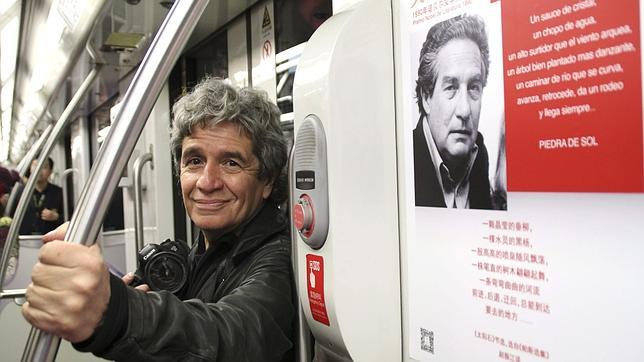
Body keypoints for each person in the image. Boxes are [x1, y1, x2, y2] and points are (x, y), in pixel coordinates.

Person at [21, 78, 294, 361]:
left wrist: (116, 310)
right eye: (195, 161)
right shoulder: (203, 253)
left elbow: (234, 334)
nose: (207, 181)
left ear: (267, 181)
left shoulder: (278, 259)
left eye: (231, 163)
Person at [413, 14, 502, 209]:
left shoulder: (480, 158)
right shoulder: (404, 162)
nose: (464, 110)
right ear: (427, 97)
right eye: (451, 87)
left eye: (473, 87)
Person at [20, 157, 64, 233]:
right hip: (24, 240)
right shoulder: (20, 192)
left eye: (44, 167)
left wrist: (57, 217)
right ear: (30, 169)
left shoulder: (59, 192)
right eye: (35, 166)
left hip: (51, 240)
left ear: (50, 171)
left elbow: (71, 217)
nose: (38, 170)